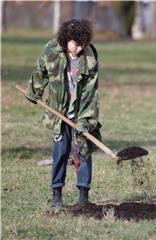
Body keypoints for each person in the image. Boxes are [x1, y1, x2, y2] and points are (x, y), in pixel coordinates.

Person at [24, 19, 101, 207]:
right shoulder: (50, 50)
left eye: (83, 44)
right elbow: (40, 71)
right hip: (58, 112)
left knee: (83, 151)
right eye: (76, 44)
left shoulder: (89, 56)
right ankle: (56, 196)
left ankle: (84, 197)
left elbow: (90, 93)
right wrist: (34, 91)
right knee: (60, 152)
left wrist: (85, 121)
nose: (80, 48)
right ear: (66, 39)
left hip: (81, 111)